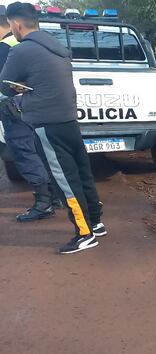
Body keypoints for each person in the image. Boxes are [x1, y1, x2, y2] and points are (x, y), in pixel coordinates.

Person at [0, 2, 105, 254]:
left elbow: (4, 85)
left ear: (16, 24)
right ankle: (96, 222)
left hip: (47, 124)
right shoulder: (54, 44)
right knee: (82, 174)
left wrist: (20, 86)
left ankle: (84, 233)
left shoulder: (22, 50)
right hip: (68, 119)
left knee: (65, 182)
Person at [0, 5, 62, 222]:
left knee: (25, 153)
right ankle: (54, 197)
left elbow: (4, 85)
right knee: (40, 152)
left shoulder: (7, 46)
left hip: (15, 108)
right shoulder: (38, 41)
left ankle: (43, 202)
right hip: (33, 107)